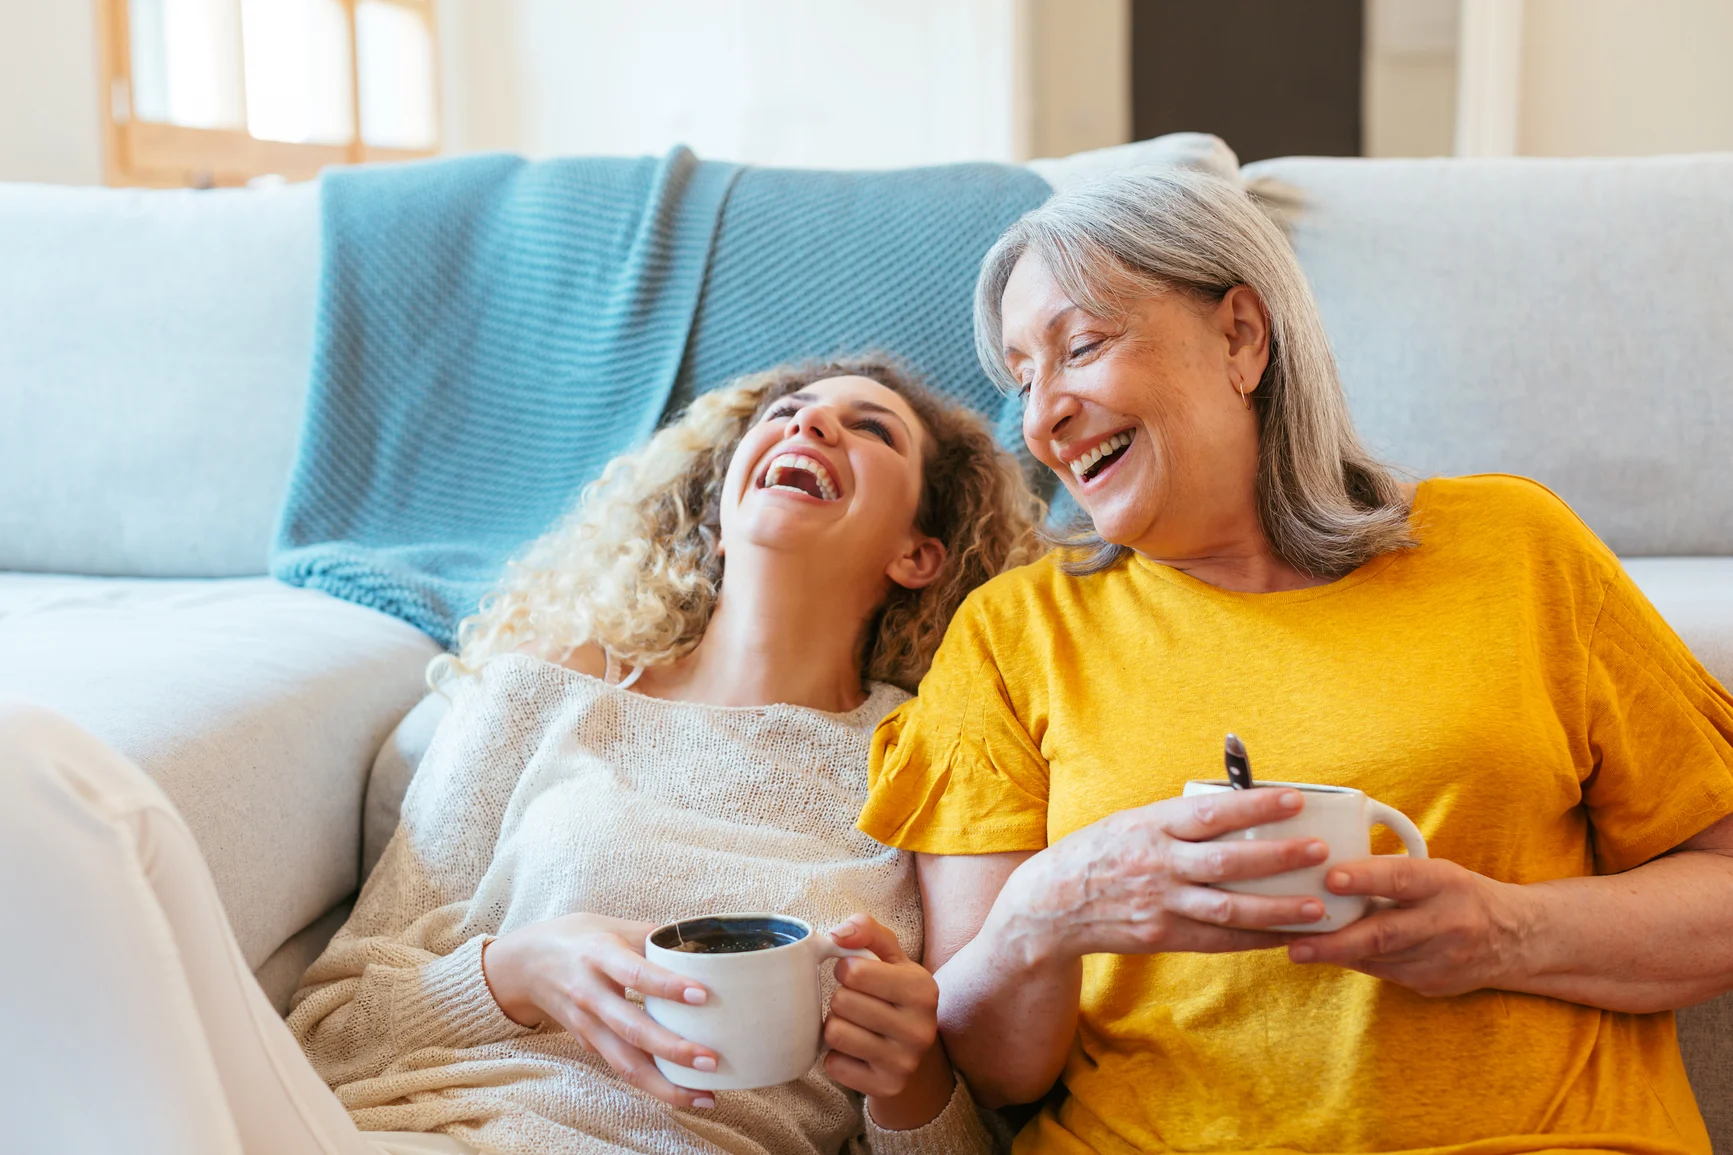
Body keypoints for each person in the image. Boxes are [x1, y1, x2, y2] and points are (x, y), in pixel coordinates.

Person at [858, 170, 1733, 1155]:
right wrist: (1045, 912)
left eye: (1084, 346)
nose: (1041, 419)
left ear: (1240, 337)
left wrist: (1499, 933)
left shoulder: (1512, 547)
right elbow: (990, 1067)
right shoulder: (1014, 634)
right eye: (1022, 379)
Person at [0, 358, 1042, 1155]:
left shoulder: (933, 749)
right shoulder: (547, 693)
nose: (808, 420)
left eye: (870, 431)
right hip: (384, 1138)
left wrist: (910, 1087)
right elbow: (326, 1033)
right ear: (717, 513)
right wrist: (515, 972)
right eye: (784, 414)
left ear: (919, 555)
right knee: (34, 772)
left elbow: (957, 1133)